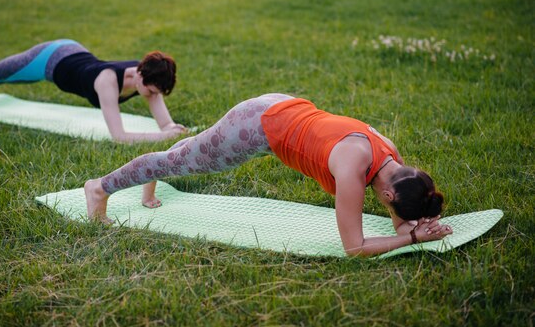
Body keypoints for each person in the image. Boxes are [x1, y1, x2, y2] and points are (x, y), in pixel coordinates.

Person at [84, 93, 453, 257]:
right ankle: (99, 188)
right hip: (257, 127)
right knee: (182, 160)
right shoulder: (354, 170)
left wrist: (406, 224)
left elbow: (395, 206)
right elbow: (354, 247)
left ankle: (151, 179)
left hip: (280, 105)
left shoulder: (390, 155)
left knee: (187, 153)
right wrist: (412, 238)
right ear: (389, 195)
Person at [0, 39, 188, 142]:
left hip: (74, 53)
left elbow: (165, 123)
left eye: (157, 93)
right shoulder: (107, 82)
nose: (154, 97)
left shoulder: (147, 77)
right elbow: (119, 136)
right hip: (50, 59)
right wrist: (163, 138)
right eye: (152, 91)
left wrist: (172, 130)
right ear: (140, 76)